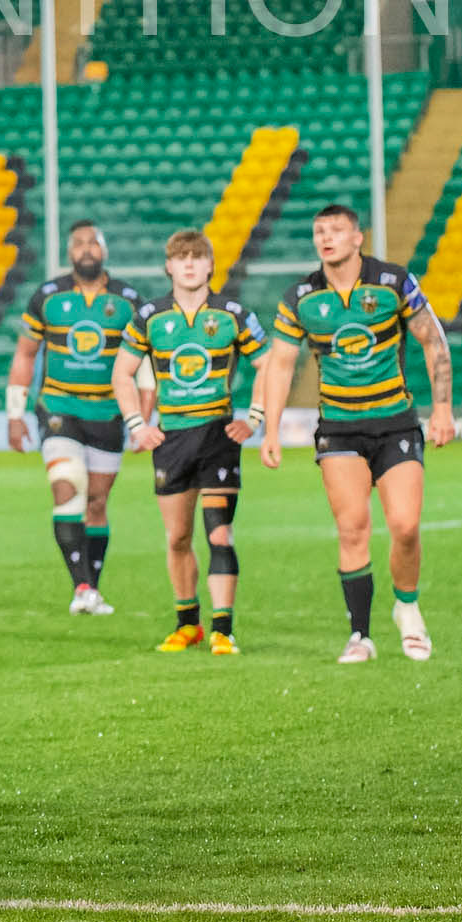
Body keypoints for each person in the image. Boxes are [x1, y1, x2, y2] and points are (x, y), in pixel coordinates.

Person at [260, 203, 455, 664]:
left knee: (405, 526)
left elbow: (433, 341)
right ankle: (360, 635)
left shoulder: (392, 282)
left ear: (357, 237)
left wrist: (442, 408)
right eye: (319, 231)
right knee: (352, 530)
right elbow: (280, 364)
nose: (326, 238)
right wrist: (270, 429)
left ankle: (407, 607)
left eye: (336, 230)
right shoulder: (301, 296)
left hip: (394, 421)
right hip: (340, 428)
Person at [113, 229, 268, 656]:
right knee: (178, 537)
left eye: (197, 256)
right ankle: (188, 625)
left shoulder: (232, 314)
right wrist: (137, 425)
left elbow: (268, 363)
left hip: (218, 435)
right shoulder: (150, 317)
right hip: (172, 439)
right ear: (168, 265)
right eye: (181, 257)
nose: (189, 263)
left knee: (219, 534)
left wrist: (254, 418)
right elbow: (122, 372)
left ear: (210, 265)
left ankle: (223, 630)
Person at [6, 220, 145, 615]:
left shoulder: (128, 301)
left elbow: (145, 362)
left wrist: (142, 418)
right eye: (79, 243)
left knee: (97, 503)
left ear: (104, 250)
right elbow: (25, 354)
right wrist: (15, 413)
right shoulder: (48, 296)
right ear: (69, 252)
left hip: (108, 412)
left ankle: (92, 589)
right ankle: (81, 586)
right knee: (67, 488)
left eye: (93, 242)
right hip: (58, 408)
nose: (86, 249)